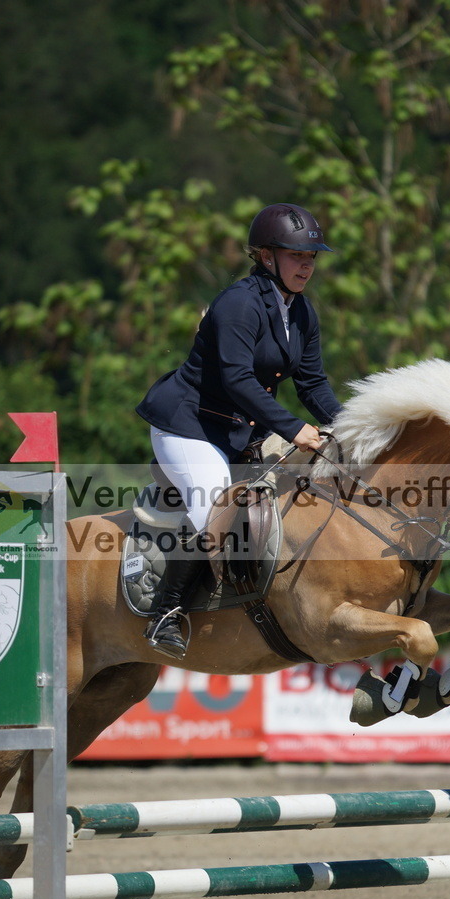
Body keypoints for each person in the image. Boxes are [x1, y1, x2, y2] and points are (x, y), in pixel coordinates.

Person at [135, 202, 343, 658]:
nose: (307, 265)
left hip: (238, 431)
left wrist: (351, 427)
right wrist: (293, 428)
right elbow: (237, 380)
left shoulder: (302, 312)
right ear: (266, 256)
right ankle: (166, 613)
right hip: (189, 427)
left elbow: (312, 384)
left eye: (311, 257)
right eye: (296, 256)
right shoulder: (239, 303)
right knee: (214, 503)